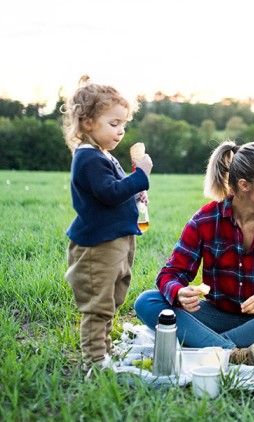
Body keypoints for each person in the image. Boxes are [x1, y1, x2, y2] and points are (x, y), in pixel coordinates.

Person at [134, 141, 254, 366]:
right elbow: (171, 273)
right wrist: (178, 292)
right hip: (215, 317)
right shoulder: (205, 220)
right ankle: (230, 351)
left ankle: (206, 347)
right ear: (244, 185)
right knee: (147, 301)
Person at [62, 75, 153, 371]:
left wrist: (135, 193)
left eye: (123, 124)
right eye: (113, 124)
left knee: (114, 296)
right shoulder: (88, 158)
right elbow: (109, 193)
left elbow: (115, 191)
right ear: (87, 123)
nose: (121, 131)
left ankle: (105, 349)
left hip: (119, 239)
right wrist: (141, 177)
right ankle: (94, 360)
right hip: (99, 245)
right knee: (98, 303)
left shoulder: (103, 155)